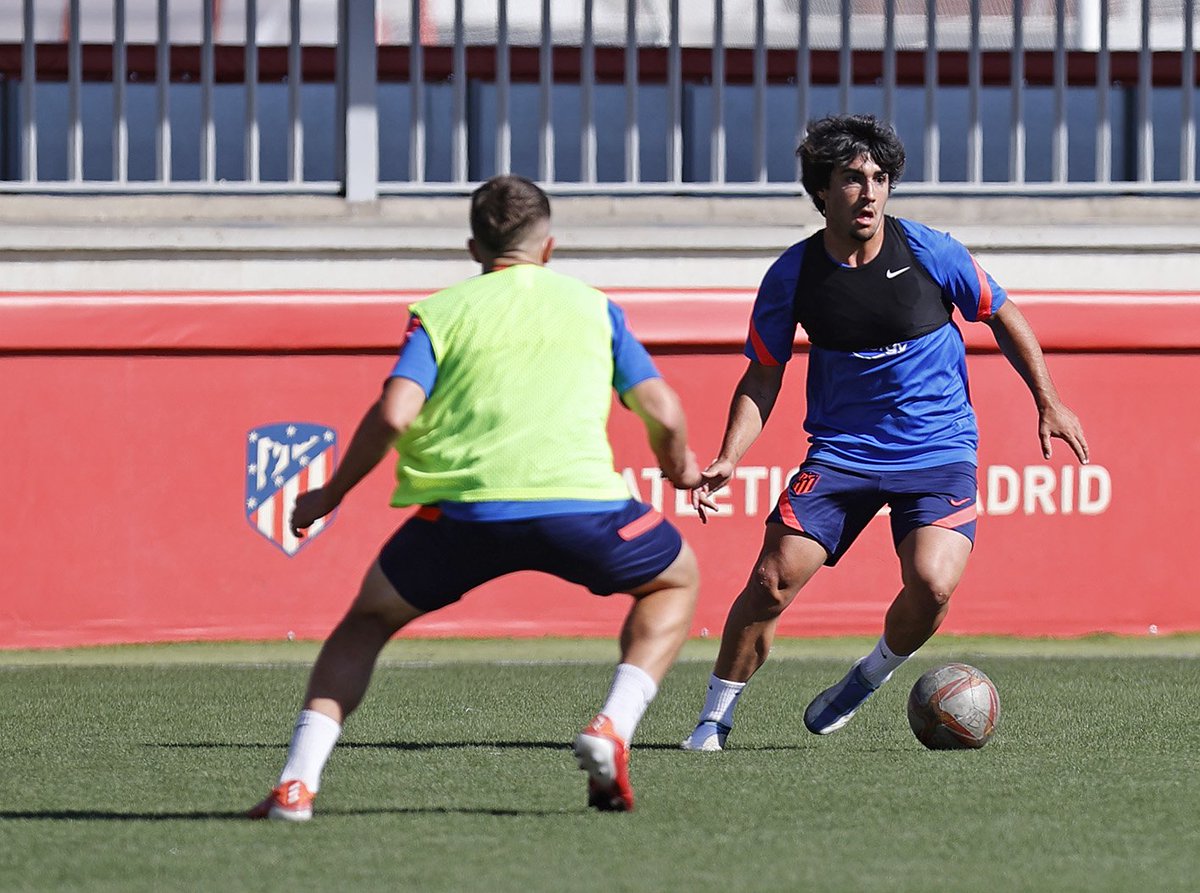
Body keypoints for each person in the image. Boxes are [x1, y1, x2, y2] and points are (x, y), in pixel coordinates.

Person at [249, 174, 703, 818]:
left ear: (473, 249)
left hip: (460, 516)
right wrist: (678, 468)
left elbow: (397, 413)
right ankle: (613, 726)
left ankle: (296, 785)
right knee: (674, 581)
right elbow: (661, 405)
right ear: (549, 249)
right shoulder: (593, 307)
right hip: (583, 508)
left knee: (366, 624)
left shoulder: (440, 312)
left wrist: (330, 493)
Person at [681, 114, 1089, 751]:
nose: (869, 191)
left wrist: (1050, 402)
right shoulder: (792, 277)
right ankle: (713, 720)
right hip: (843, 454)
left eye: (880, 178)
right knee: (769, 583)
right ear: (823, 191)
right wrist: (730, 456)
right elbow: (762, 376)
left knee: (933, 583)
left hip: (938, 449)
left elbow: (1003, 314)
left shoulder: (929, 251)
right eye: (851, 178)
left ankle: (868, 675)